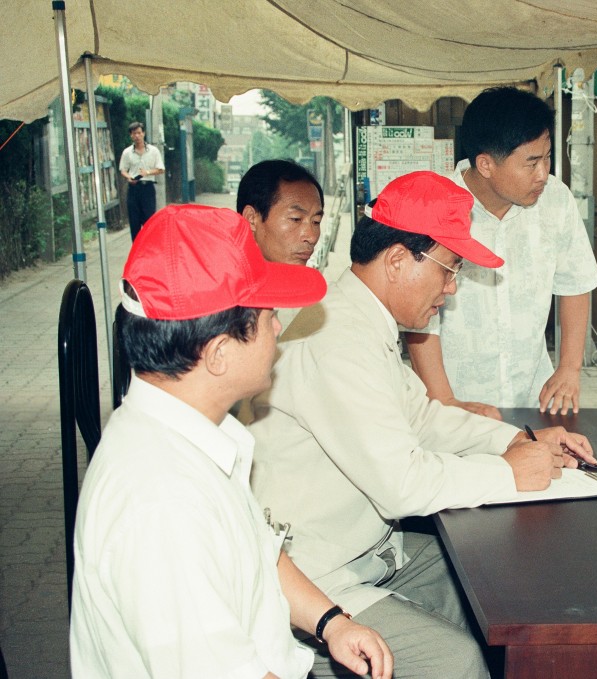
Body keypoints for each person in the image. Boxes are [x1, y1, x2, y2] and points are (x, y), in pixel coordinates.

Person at [245, 171, 597, 679]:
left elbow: (423, 418)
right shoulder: (336, 338)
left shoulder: (358, 317)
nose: (451, 290)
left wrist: (521, 440)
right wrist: (509, 473)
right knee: (459, 661)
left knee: (493, 585)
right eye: (449, 270)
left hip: (369, 550)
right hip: (318, 575)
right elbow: (403, 487)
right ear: (396, 260)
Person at [70, 205, 393, 679]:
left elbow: (256, 553)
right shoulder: (160, 504)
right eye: (266, 317)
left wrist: (331, 623)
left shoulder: (195, 430)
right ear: (219, 353)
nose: (279, 328)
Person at [405, 86, 597, 420]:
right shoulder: (434, 206)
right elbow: (420, 317)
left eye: (548, 157)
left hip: (534, 397)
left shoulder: (556, 199)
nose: (543, 174)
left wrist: (569, 369)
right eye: (531, 163)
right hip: (456, 400)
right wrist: (444, 401)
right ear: (485, 164)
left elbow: (574, 283)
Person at [237, 159, 324, 267]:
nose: (312, 237)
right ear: (251, 219)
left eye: (316, 222)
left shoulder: (305, 281)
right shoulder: (222, 280)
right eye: (296, 219)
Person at [118, 121, 165, 240]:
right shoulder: (127, 152)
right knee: (134, 222)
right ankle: (136, 252)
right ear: (131, 135)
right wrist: (128, 177)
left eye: (139, 133)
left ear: (143, 133)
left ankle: (149, 250)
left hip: (147, 188)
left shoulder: (153, 151)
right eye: (134, 133)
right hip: (133, 189)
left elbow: (161, 169)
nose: (137, 136)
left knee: (149, 222)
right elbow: (123, 169)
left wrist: (147, 172)